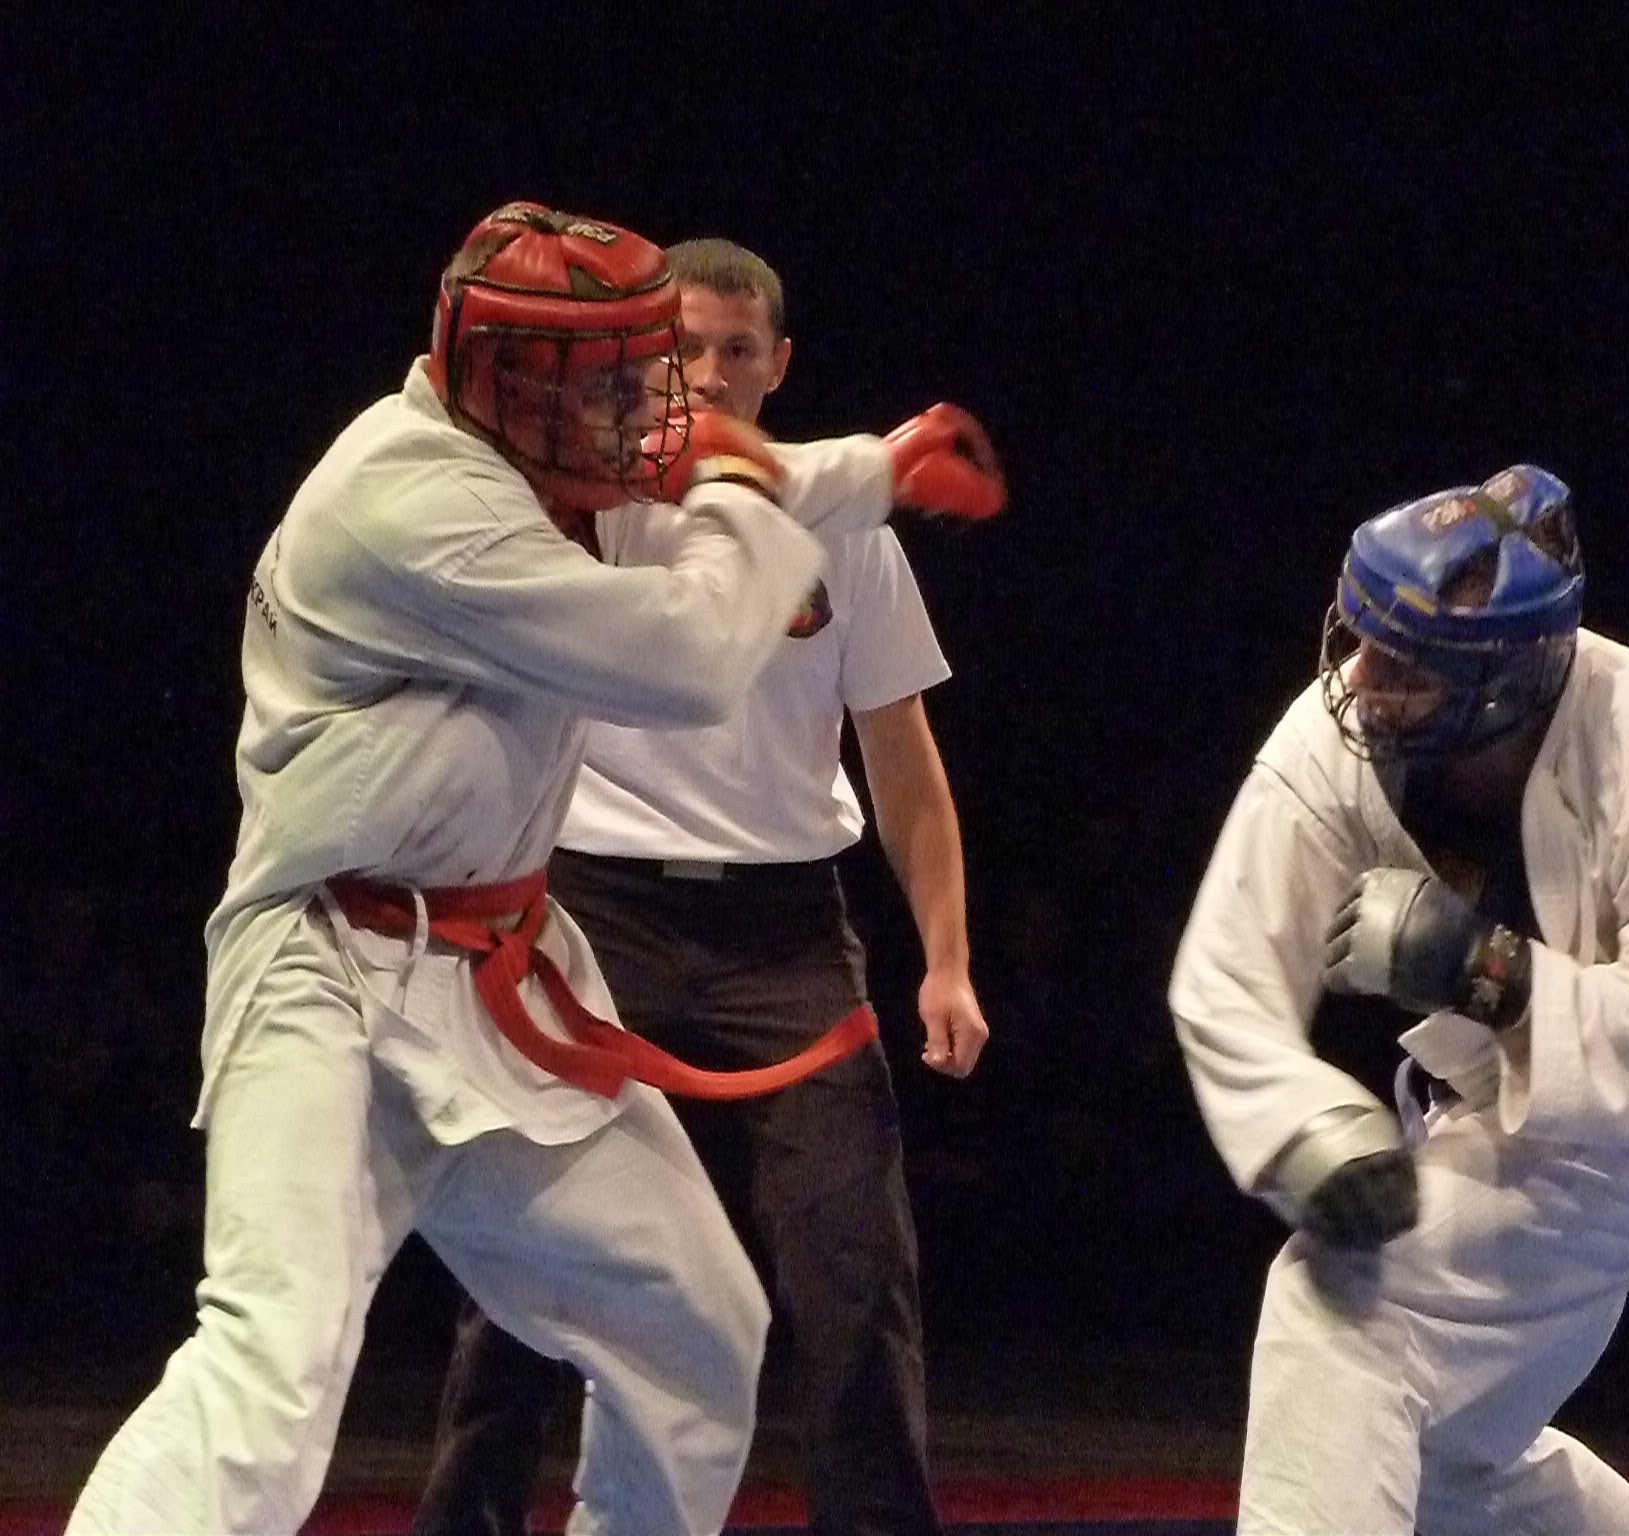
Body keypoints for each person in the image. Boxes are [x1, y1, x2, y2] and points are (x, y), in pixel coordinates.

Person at [65, 202, 1004, 1536]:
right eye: (614, 380)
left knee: (694, 1332)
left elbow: (721, 460)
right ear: (519, 383)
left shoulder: (536, 455)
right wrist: (759, 490)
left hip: (499, 974)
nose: (647, 408)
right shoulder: (419, 504)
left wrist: (874, 465)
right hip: (327, 979)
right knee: (271, 1370)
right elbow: (687, 655)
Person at [410, 237, 988, 1536]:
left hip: (786, 939)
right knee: (526, 1269)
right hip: (591, 913)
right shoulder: (582, 508)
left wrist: (946, 961)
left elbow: (906, 772)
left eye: (738, 349)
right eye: (685, 346)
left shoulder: (846, 537)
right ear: (641, 357)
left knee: (853, 1270)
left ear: (780, 364)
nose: (712, 372)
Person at [1169, 466, 1629, 1534]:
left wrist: (1489, 972)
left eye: (1405, 663)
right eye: (1362, 639)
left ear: (1506, 676)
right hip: (1474, 1107)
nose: (1364, 679)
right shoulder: (1334, 735)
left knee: (1339, 1306)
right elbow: (1227, 972)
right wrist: (1298, 1123)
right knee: (1446, 1464)